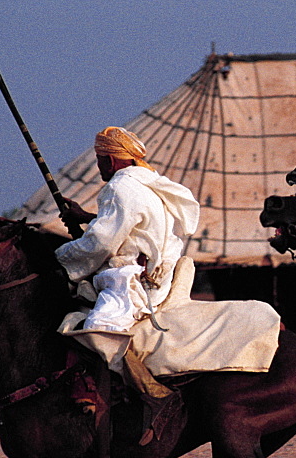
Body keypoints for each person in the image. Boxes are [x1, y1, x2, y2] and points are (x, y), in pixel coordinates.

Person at [55, 126, 201, 334]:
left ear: (110, 160)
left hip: (133, 284)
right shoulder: (146, 183)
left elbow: (101, 244)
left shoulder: (119, 187)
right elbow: (133, 227)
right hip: (157, 276)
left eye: (99, 159)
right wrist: (86, 218)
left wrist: (60, 258)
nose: (99, 166)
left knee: (97, 331)